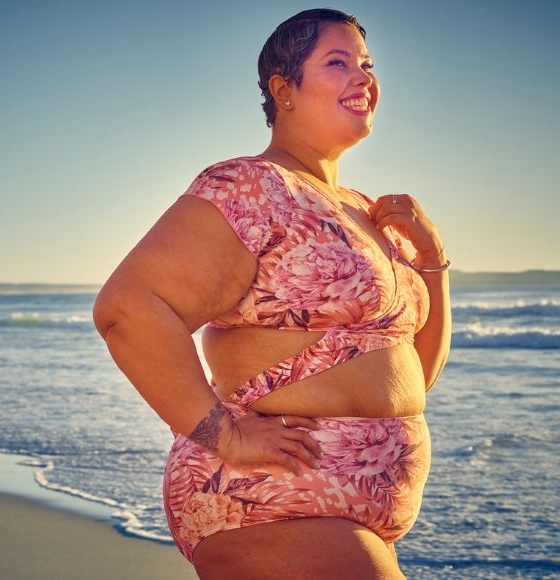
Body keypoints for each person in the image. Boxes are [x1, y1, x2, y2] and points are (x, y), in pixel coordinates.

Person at [93, 8, 451, 579]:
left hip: (360, 515)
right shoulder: (251, 187)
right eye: (338, 63)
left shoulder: (364, 210)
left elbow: (414, 375)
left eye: (367, 64)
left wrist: (431, 261)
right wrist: (222, 433)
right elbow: (128, 309)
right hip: (265, 500)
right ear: (284, 90)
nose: (363, 77)